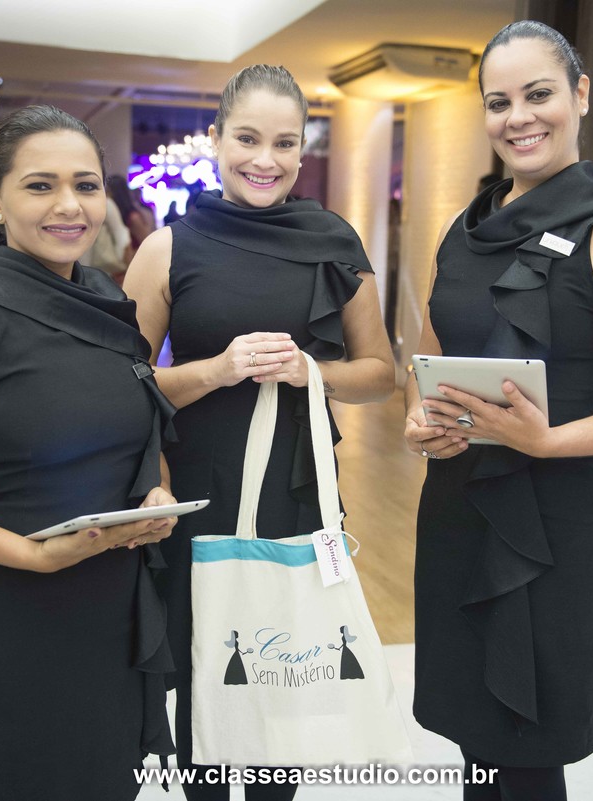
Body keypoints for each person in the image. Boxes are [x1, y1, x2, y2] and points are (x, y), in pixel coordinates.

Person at [403, 21, 593, 801]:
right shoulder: (464, 231)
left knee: (528, 749)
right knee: (475, 737)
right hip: (460, 508)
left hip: (556, 523)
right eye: (500, 102)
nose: (519, 117)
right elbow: (425, 367)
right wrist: (418, 423)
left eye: (539, 94)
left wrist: (548, 438)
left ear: (580, 96)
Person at [0, 105, 178, 801]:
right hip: (15, 617)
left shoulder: (110, 304)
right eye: (40, 186)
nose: (70, 206)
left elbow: (141, 430)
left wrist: (157, 491)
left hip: (114, 613)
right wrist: (34, 554)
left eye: (86, 184)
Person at [123, 64, 394, 801]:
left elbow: (381, 371)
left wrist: (315, 373)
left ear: (302, 150)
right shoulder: (169, 248)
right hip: (197, 490)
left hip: (299, 487)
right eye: (246, 138)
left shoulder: (334, 241)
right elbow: (125, 382)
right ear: (215, 139)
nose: (264, 160)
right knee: (210, 673)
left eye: (283, 142)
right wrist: (215, 370)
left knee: (285, 671)